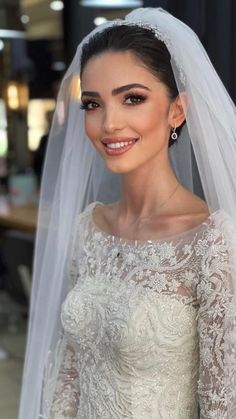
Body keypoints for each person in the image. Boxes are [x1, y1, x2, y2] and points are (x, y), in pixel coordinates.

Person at [19, 7, 236, 419]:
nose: (109, 124)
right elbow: (69, 375)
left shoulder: (211, 243)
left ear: (177, 110)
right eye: (93, 104)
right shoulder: (89, 227)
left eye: (132, 99)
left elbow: (222, 406)